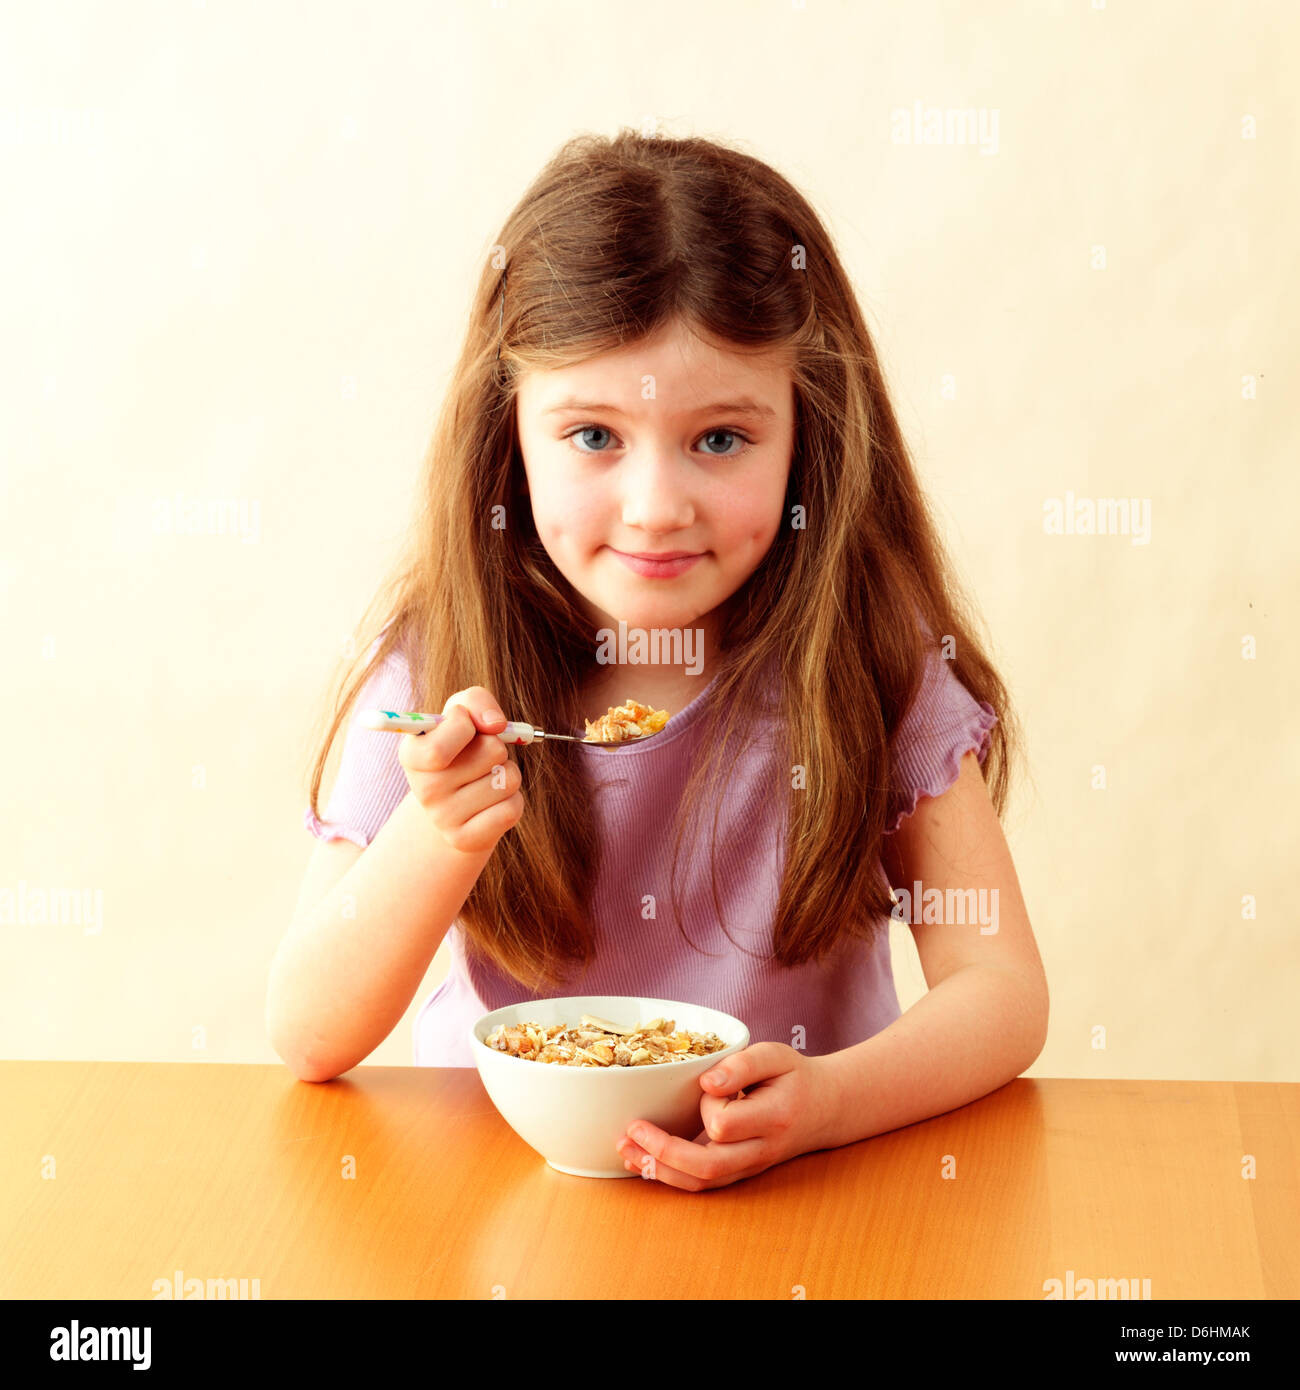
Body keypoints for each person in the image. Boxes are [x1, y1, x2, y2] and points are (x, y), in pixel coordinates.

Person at [268, 128, 1048, 1192]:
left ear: (803, 436)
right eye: (592, 436)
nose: (656, 508)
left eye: (720, 439)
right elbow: (309, 1032)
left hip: (805, 1199)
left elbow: (999, 990)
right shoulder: (434, 670)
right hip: (499, 1195)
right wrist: (438, 837)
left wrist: (826, 1105)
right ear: (510, 436)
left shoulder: (869, 661)